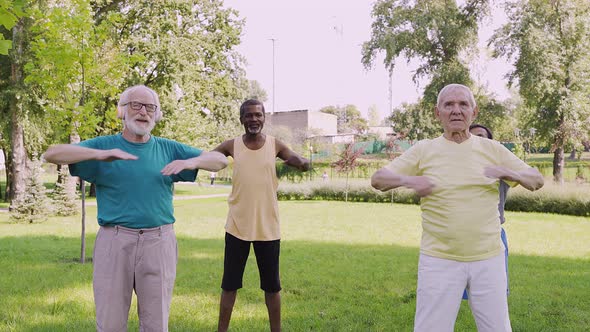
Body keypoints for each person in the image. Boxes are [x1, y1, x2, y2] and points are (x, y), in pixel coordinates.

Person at [43, 85, 228, 332]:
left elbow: (221, 160)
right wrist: (100, 155)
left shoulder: (169, 148)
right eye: (136, 105)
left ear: (157, 114)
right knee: (110, 323)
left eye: (150, 107)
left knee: (156, 324)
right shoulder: (105, 146)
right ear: (122, 111)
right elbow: (52, 153)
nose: (143, 112)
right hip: (114, 242)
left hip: (159, 242)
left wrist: (191, 161)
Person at [371, 84, 544, 332]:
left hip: (489, 258)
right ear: (437, 112)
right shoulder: (423, 150)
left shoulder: (493, 150)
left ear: (474, 111)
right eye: (448, 105)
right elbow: (378, 179)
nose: (456, 111)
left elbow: (537, 180)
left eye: (463, 105)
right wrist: (409, 180)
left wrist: (507, 171)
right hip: (439, 260)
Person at [213, 99, 310, 332]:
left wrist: (303, 163)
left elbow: (299, 160)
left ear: (264, 117)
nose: (254, 119)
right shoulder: (231, 145)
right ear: (241, 119)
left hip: (268, 228)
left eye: (258, 115)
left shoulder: (275, 145)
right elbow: (208, 159)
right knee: (229, 285)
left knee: (272, 287)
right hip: (237, 226)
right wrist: (193, 163)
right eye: (249, 115)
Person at [462, 124, 511, 301]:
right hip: (460, 238)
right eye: (473, 137)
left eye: (482, 136)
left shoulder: (501, 167)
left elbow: (530, 178)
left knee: (493, 296)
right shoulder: (458, 168)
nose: (478, 140)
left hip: (492, 237)